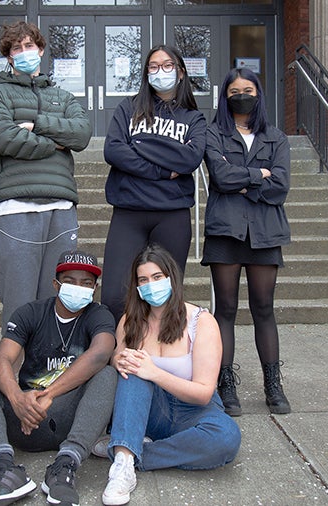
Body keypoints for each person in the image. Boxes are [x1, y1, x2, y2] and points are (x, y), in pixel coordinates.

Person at [0, 250, 117, 506]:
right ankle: (4, 471)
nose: (78, 288)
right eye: (70, 281)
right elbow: (1, 359)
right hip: (24, 418)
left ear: (95, 288)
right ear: (55, 284)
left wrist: (49, 395)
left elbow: (100, 353)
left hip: (71, 418)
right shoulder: (31, 313)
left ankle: (65, 468)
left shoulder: (99, 314)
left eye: (87, 283)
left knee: (107, 374)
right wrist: (16, 398)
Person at [95, 243, 241, 506]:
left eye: (157, 277)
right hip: (150, 410)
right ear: (136, 286)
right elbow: (117, 360)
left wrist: (155, 372)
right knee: (134, 368)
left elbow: (204, 393)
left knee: (226, 437)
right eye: (143, 280)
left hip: (192, 411)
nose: (150, 284)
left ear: (172, 277)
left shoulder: (201, 321)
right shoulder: (130, 321)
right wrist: (120, 360)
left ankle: (129, 453)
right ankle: (124, 466)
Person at [0, 20, 92, 330]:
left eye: (30, 46)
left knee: (57, 300)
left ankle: (47, 374)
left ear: (40, 50)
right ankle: (13, 373)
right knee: (19, 304)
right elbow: (1, 137)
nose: (24, 52)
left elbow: (81, 135)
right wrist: (55, 143)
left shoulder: (63, 97)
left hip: (61, 209)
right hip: (15, 207)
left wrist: (37, 124)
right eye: (17, 48)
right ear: (9, 56)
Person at [202, 67, 292, 416]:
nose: (242, 95)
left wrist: (245, 183)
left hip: (266, 232)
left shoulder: (277, 138)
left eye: (249, 89)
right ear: (225, 96)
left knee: (264, 308)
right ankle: (226, 384)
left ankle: (273, 385)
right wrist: (259, 175)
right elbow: (221, 178)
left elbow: (281, 186)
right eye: (235, 90)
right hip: (226, 229)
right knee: (224, 309)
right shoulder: (213, 134)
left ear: (259, 95)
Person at [100, 44, 207, 321]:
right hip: (129, 212)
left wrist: (140, 144)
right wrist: (162, 169)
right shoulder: (129, 108)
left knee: (163, 294)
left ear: (181, 72)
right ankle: (118, 355)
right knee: (114, 295)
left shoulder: (194, 118)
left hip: (172, 215)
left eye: (168, 65)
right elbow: (113, 150)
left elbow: (190, 159)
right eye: (154, 66)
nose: (161, 72)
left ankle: (160, 355)